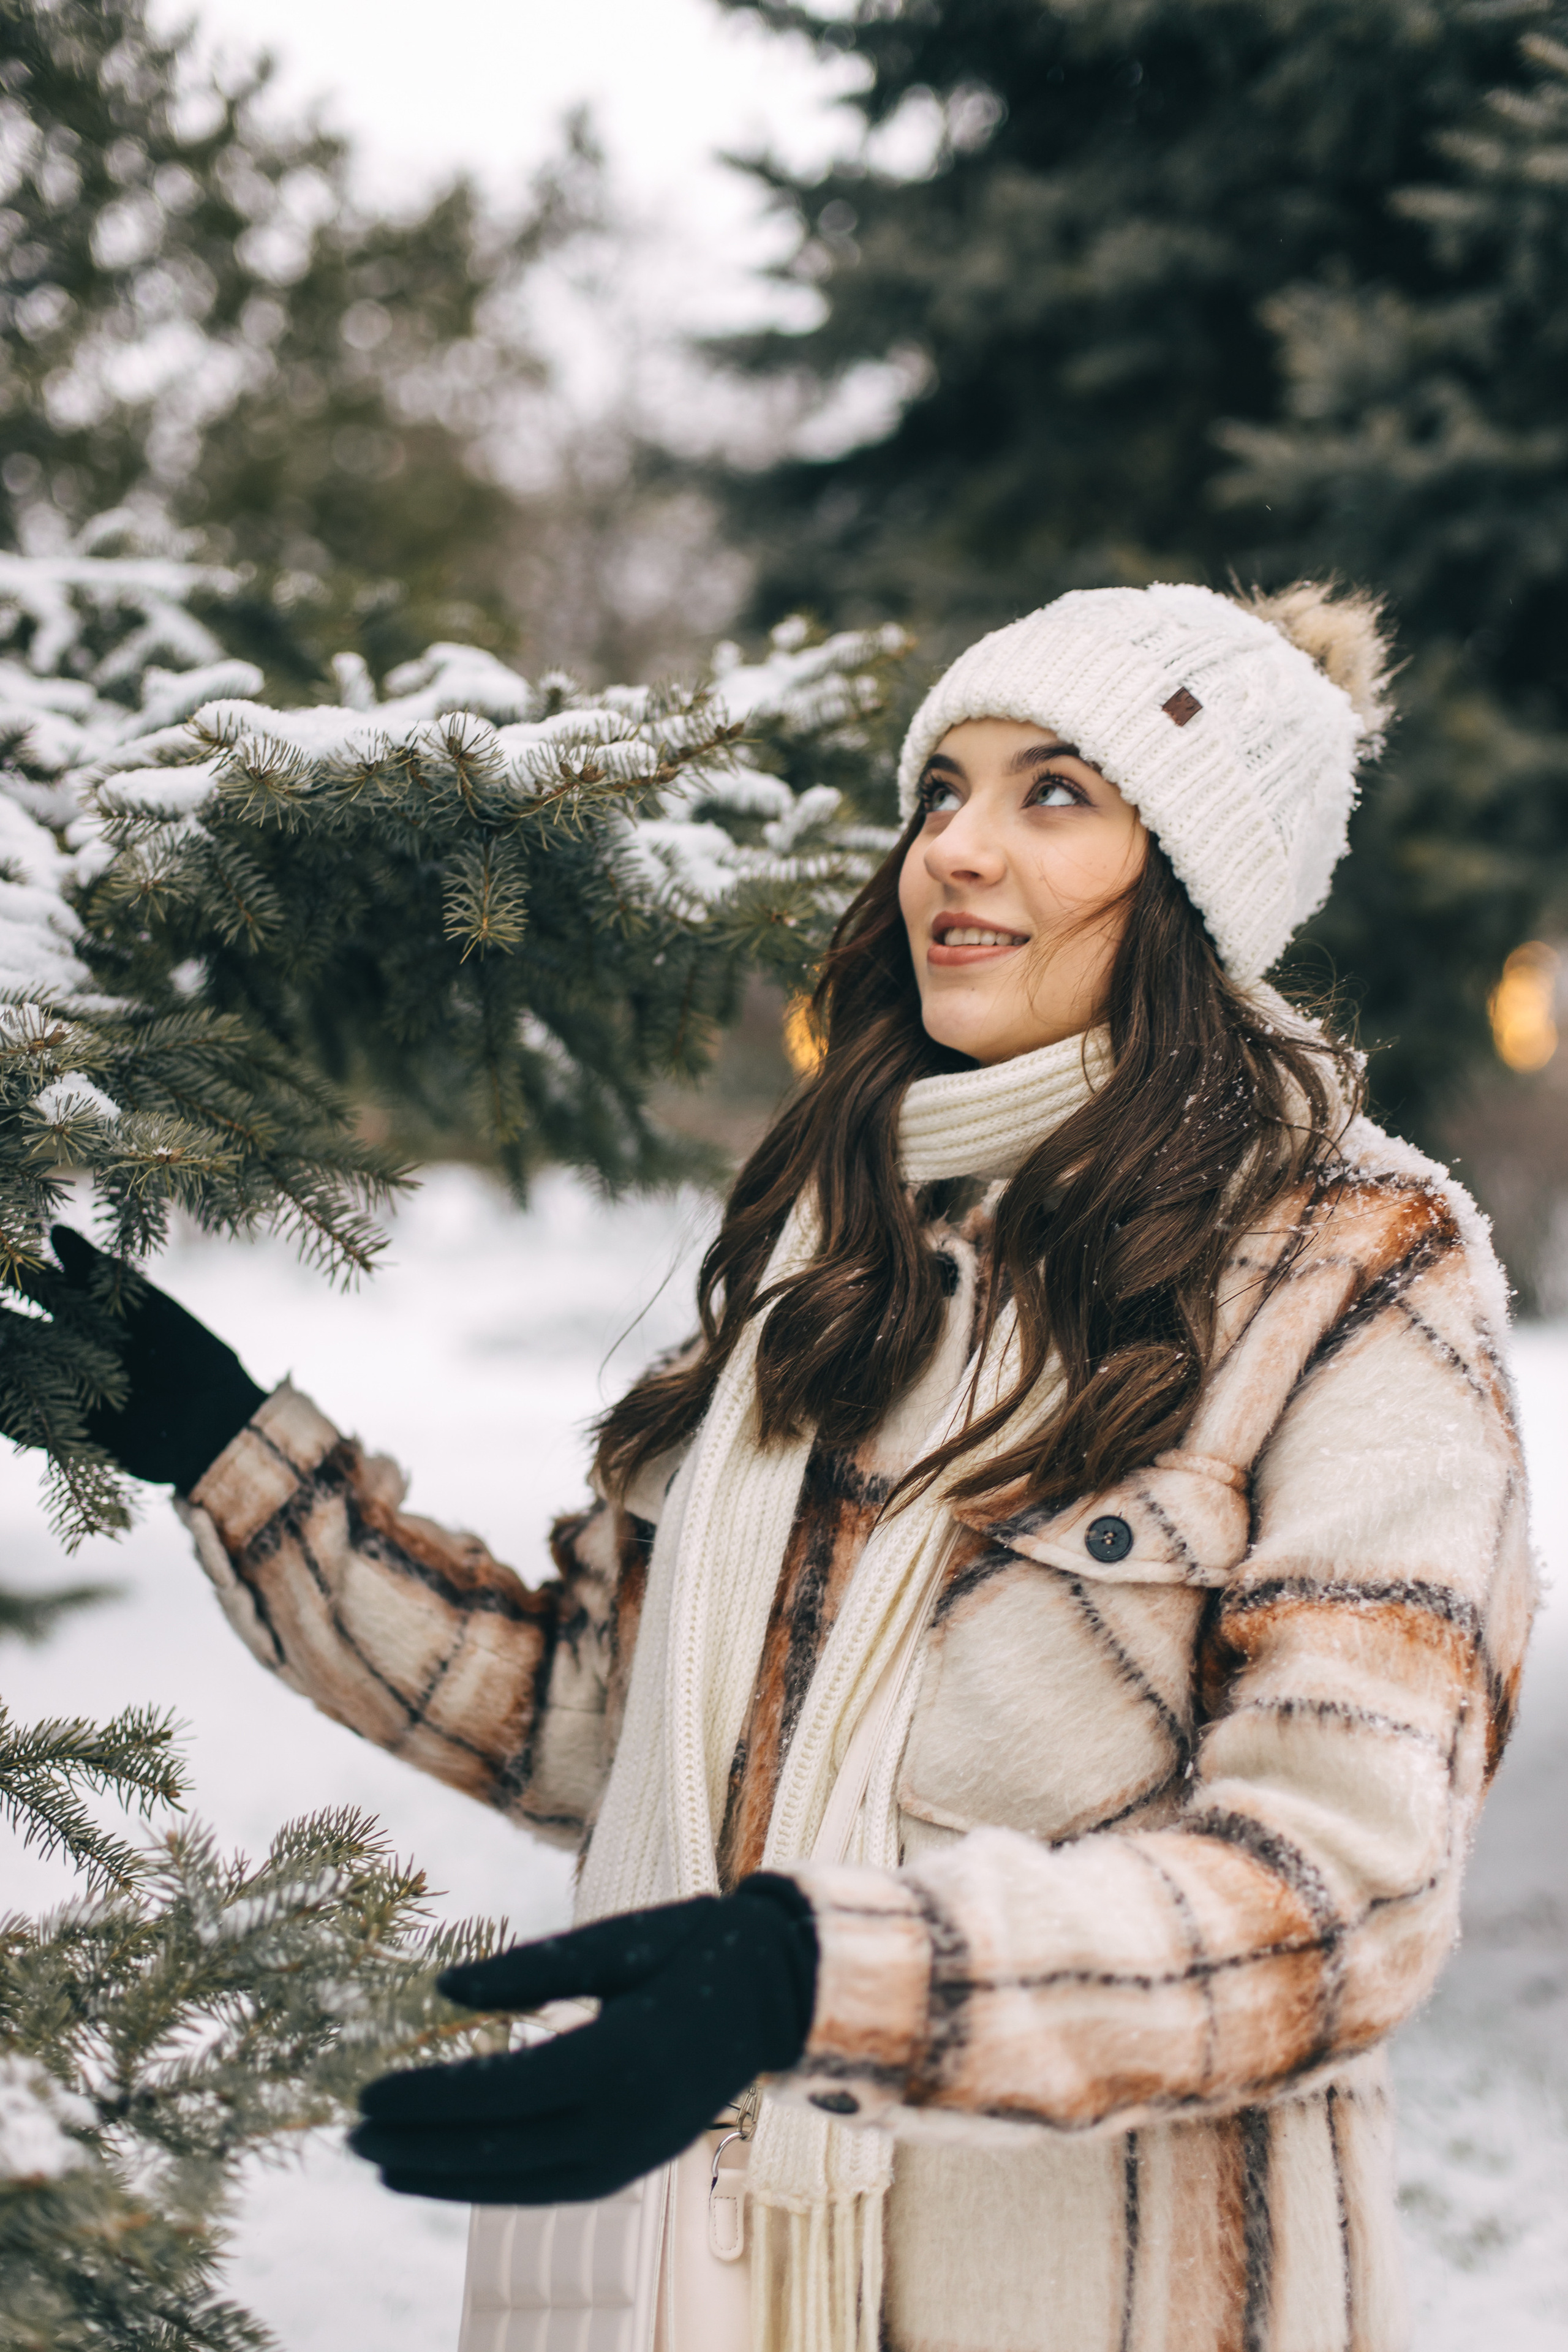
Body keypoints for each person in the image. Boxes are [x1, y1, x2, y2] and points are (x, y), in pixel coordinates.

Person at [34, 582, 1532, 2352]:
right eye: (941, 790)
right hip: (710, 2282)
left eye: (1056, 795)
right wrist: (228, 1451)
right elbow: (587, 1724)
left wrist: (830, 1975)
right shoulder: (844, 1246)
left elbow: (1336, 1894)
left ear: (1200, 887)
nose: (956, 853)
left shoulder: (1354, 1266)